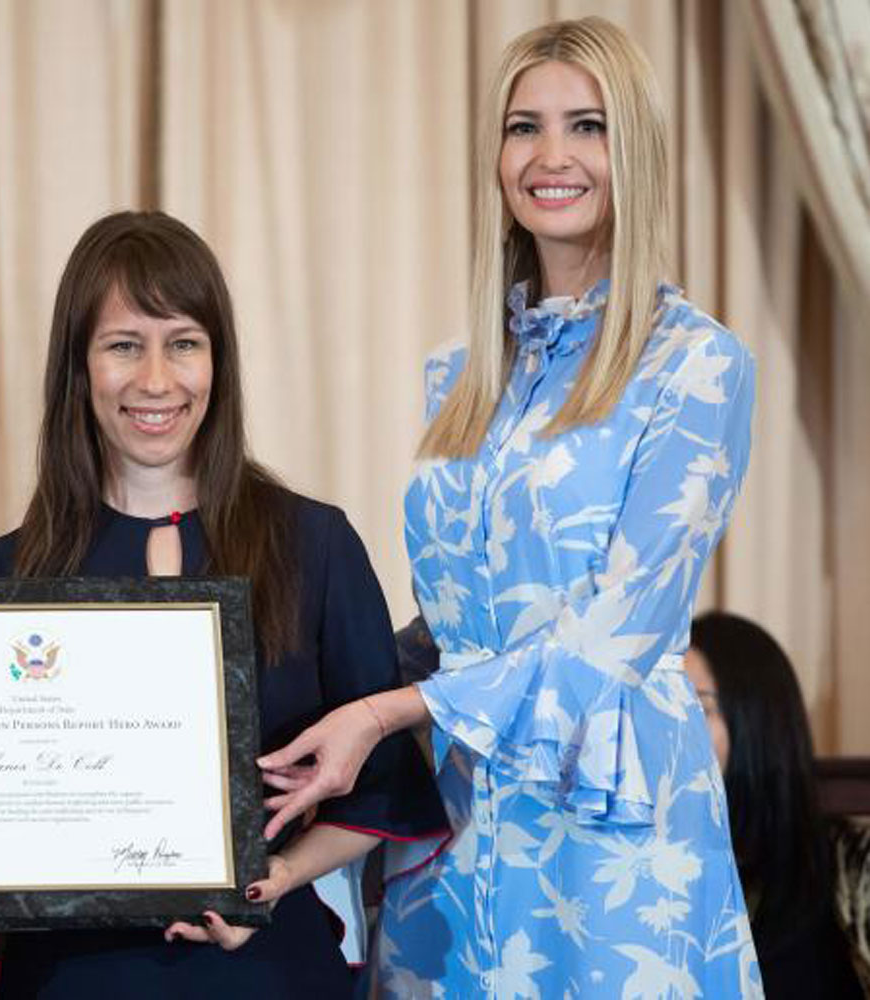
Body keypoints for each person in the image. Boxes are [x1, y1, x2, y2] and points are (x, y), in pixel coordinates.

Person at [258, 17, 765, 995]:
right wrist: (293, 707)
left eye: (587, 126)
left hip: (608, 835)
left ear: (636, 152)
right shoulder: (459, 375)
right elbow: (451, 625)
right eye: (522, 126)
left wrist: (381, 710)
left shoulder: (699, 366)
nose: (550, 156)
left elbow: (607, 645)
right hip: (452, 825)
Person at [0, 210, 446, 999]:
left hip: (267, 968)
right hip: (68, 978)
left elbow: (379, 785)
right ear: (78, 366)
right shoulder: (8, 571)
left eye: (184, 343)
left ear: (218, 361)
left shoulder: (315, 547)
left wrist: (277, 877)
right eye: (124, 345)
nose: (156, 380)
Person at [686, 612, 865, 997]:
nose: (673, 727)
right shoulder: (653, 860)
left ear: (757, 720)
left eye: (699, 708)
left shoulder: (842, 866)